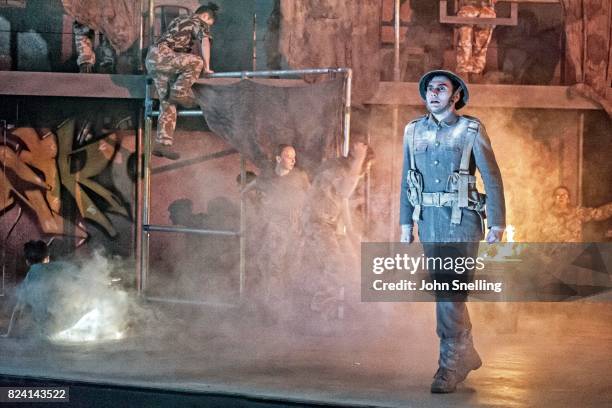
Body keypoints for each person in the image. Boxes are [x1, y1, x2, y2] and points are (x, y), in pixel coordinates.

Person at [400, 70, 506, 393]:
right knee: (449, 294)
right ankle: (466, 350)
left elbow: (492, 177)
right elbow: (407, 177)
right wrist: (406, 222)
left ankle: (448, 366)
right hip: (429, 221)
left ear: (455, 95)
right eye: (430, 89)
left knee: (448, 293)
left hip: (462, 223)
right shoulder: (413, 131)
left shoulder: (470, 129)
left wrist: (497, 222)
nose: (433, 93)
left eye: (441, 88)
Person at [145, 2, 218, 160]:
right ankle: (180, 92)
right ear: (205, 16)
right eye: (209, 24)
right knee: (196, 62)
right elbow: (204, 41)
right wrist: (207, 66)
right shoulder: (197, 21)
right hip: (163, 56)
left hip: (155, 60)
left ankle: (162, 144)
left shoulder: (179, 20)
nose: (208, 27)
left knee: (168, 103)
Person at [251, 145, 310, 322]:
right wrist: (245, 192)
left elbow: (311, 196)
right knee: (273, 267)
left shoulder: (300, 177)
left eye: (294, 157)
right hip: (275, 228)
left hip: (296, 229)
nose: (293, 160)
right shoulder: (268, 177)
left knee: (293, 269)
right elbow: (255, 184)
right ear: (278, 158)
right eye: (288, 156)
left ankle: (291, 311)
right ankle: (273, 310)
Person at [540, 186, 612, 242]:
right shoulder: (545, 216)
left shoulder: (577, 212)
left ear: (568, 199)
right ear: (553, 198)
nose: (561, 197)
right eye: (558, 195)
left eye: (564, 195)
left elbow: (598, 213)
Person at [456, 0, 497, 78]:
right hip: (467, 6)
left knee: (488, 17)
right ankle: (464, 68)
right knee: (465, 37)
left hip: (486, 7)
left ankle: (477, 69)